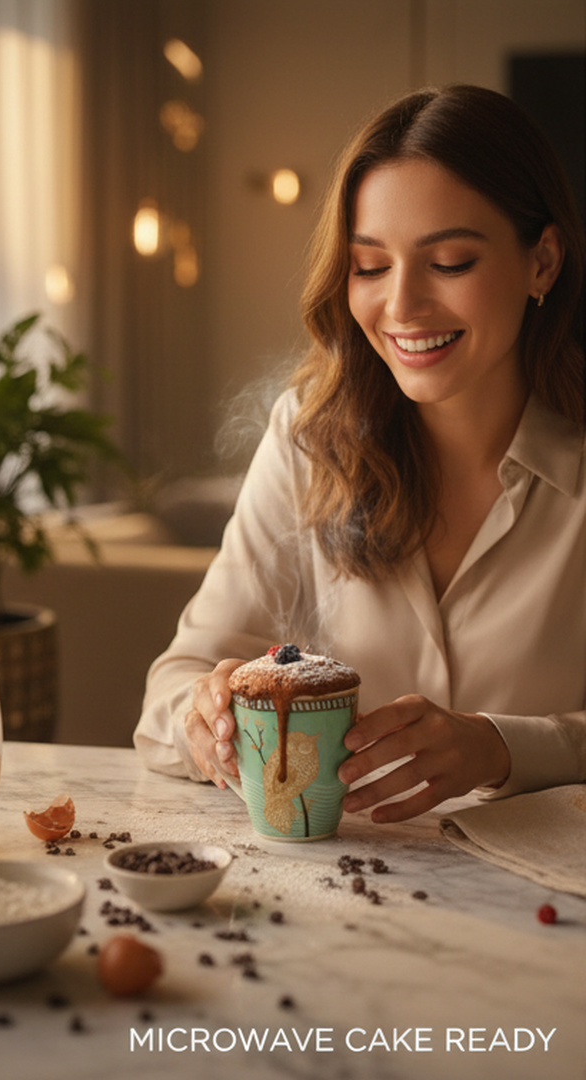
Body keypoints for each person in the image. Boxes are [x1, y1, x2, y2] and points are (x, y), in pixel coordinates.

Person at [136, 84, 584, 820]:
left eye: (449, 262)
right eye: (370, 266)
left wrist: (500, 748)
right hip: (345, 908)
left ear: (542, 262)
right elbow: (170, 692)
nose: (402, 306)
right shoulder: (308, 440)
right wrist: (207, 718)